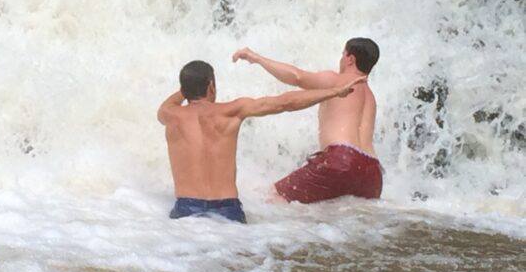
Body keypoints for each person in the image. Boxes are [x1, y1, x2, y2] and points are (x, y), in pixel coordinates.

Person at [157, 60, 365, 223]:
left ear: (184, 88)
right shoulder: (231, 111)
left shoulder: (170, 115)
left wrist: (187, 86)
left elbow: (171, 102)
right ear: (211, 85)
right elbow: (285, 103)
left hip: (186, 210)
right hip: (227, 210)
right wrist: (335, 92)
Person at [232, 38, 382, 204]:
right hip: (372, 172)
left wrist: (256, 58)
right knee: (333, 212)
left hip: (342, 159)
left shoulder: (337, 81)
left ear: (350, 59)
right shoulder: (371, 97)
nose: (340, 60)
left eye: (342, 55)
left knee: (276, 196)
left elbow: (297, 77)